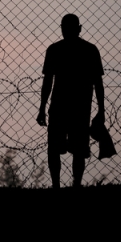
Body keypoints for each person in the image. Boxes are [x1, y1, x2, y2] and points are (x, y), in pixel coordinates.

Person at [36, 14, 105, 188]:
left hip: (61, 106)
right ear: (79, 28)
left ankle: (57, 186)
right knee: (77, 150)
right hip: (79, 107)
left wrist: (42, 107)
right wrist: (101, 109)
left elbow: (48, 82)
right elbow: (98, 83)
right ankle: (75, 185)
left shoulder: (55, 49)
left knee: (60, 149)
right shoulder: (89, 50)